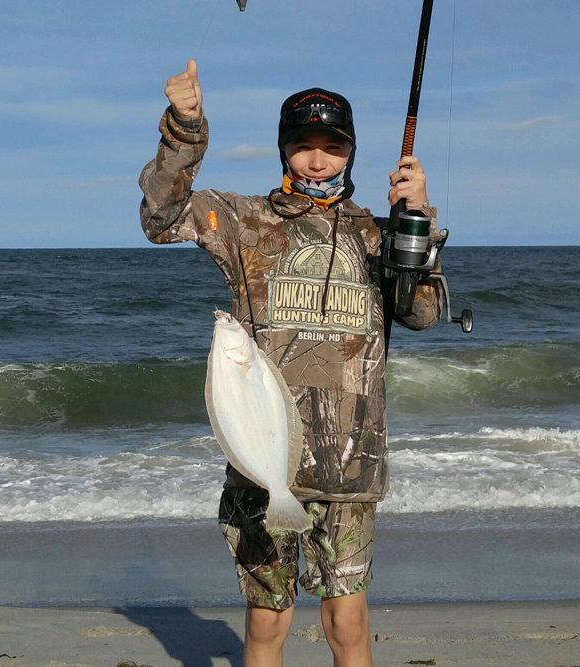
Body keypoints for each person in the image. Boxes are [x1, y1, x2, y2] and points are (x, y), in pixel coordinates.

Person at [139, 59, 443, 667]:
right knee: (267, 623)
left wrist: (419, 219)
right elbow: (162, 217)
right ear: (284, 149)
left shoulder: (375, 236)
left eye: (332, 147)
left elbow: (422, 313)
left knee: (348, 625)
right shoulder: (247, 222)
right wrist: (185, 128)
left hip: (350, 470)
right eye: (303, 145)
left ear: (350, 154)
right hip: (263, 465)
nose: (316, 159)